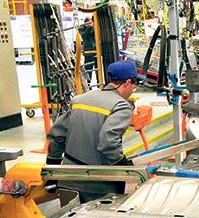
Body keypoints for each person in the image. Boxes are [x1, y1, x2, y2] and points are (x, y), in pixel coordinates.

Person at [46, 60, 144, 203]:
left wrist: (52, 170)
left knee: (70, 217)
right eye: (135, 85)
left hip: (67, 180)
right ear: (127, 83)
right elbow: (108, 143)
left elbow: (57, 136)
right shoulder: (121, 106)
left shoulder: (80, 99)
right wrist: (124, 169)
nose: (133, 90)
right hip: (98, 185)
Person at [79, 17, 96, 83]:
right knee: (88, 70)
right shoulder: (82, 28)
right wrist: (89, 28)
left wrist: (92, 27)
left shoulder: (95, 27)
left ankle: (99, 83)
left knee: (98, 70)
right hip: (88, 52)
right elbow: (83, 36)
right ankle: (88, 83)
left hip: (96, 51)